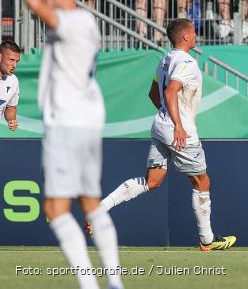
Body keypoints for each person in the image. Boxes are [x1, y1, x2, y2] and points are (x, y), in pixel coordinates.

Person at [0, 0, 123, 289]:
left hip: (67, 122)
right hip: (85, 120)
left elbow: (38, 6)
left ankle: (90, 284)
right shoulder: (84, 19)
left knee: (55, 210)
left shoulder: (70, 21)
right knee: (90, 203)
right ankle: (113, 282)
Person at [88, 19, 236, 252]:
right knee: (202, 181)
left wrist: (166, 117)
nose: (196, 35)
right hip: (179, 130)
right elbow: (170, 91)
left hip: (160, 126)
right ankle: (207, 240)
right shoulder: (186, 62)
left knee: (152, 181)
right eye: (194, 32)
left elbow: (152, 93)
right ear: (185, 37)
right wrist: (177, 124)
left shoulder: (165, 60)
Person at [0, 41, 21, 131]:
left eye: (17, 61)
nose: (14, 65)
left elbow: (10, 107)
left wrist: (11, 120)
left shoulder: (13, 80)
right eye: (11, 60)